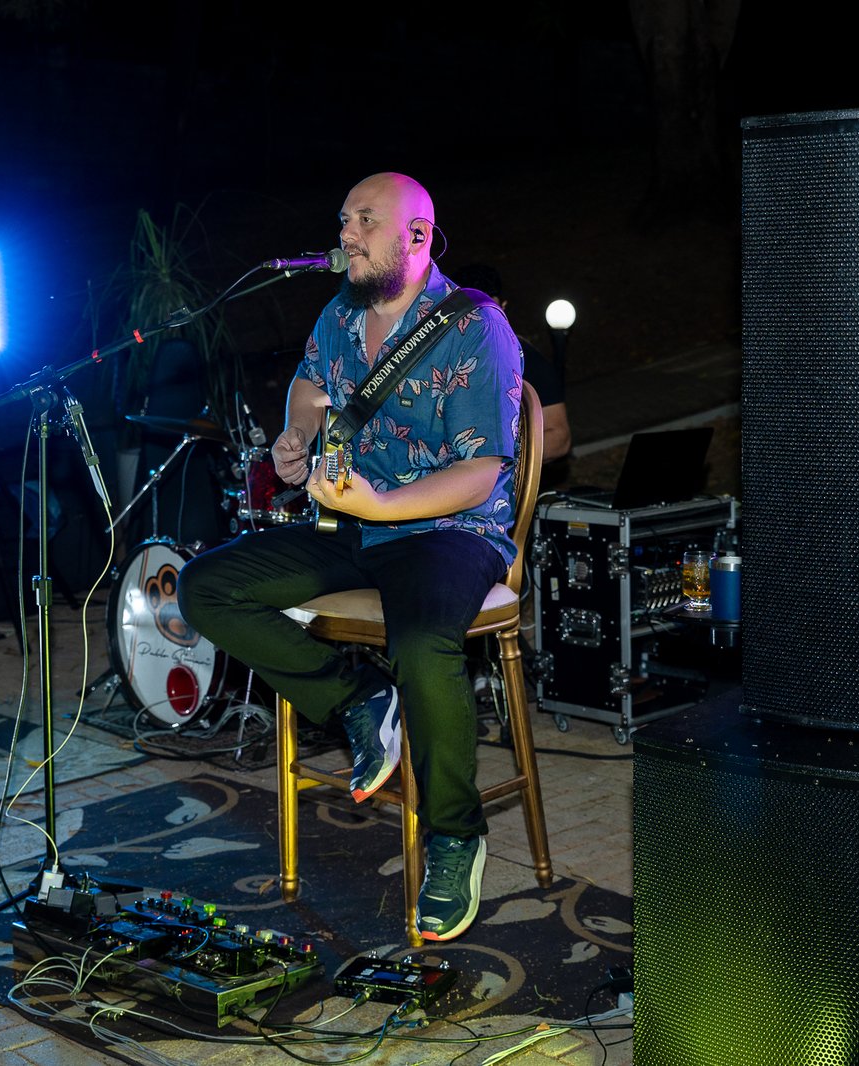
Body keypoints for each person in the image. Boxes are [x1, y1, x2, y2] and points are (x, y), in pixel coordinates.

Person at [178, 173, 523, 943]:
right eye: (344, 220)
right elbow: (309, 384)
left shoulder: (476, 326)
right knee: (206, 587)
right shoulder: (340, 312)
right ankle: (358, 698)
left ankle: (455, 836)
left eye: (366, 220)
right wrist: (296, 436)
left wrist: (381, 505)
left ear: (417, 237)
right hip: (351, 526)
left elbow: (480, 473)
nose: (346, 234)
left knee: (422, 643)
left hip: (448, 531)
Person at [450, 264, 571, 488]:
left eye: (489, 311)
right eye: (470, 313)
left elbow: (559, 438)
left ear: (503, 308)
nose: (482, 321)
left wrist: (495, 461)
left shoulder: (527, 358)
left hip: (501, 494)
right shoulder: (440, 358)